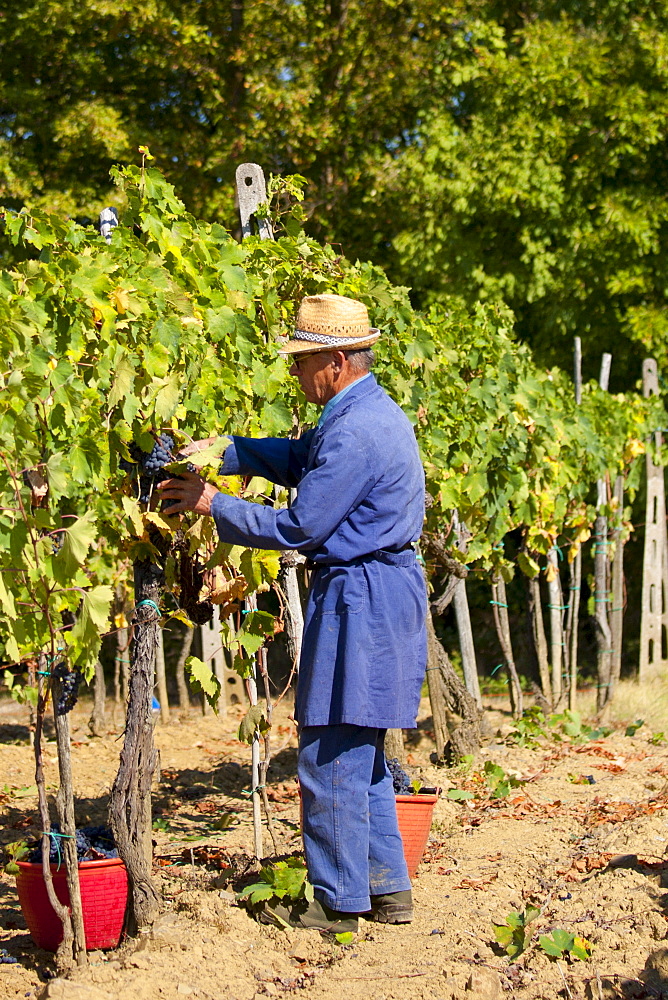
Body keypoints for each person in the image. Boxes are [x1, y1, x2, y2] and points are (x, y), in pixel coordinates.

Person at [159, 293, 427, 934]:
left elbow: (302, 526)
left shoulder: (358, 429)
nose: (293, 373)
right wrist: (235, 451)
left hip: (361, 600)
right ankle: (389, 890)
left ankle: (336, 903)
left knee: (329, 752)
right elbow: (305, 459)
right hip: (378, 595)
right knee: (360, 752)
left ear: (335, 362)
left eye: (301, 362)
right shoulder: (361, 413)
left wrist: (211, 506)